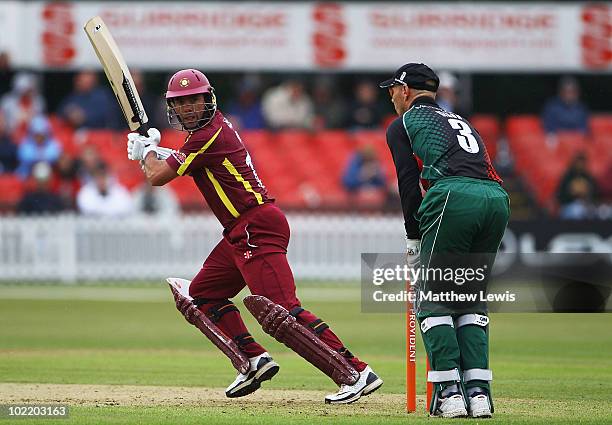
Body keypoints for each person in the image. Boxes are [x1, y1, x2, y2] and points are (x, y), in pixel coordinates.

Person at [126, 68, 382, 403]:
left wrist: (146, 152)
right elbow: (183, 161)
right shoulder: (207, 134)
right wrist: (152, 150)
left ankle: (356, 372)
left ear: (208, 99)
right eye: (181, 102)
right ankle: (252, 361)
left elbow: (157, 177)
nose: (188, 107)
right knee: (201, 296)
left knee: (282, 312)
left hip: (255, 226)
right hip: (240, 231)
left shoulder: (208, 135)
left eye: (194, 100)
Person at [380, 63, 509, 418]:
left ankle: (449, 392)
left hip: (453, 196)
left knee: (434, 296)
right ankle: (479, 393)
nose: (390, 96)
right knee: (468, 297)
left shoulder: (402, 124)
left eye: (392, 89)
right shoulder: (462, 121)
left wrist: (413, 236)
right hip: (495, 199)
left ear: (405, 90)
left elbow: (408, 184)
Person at [556, 152, 599, 219]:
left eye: (582, 163)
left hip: (587, 206)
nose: (580, 165)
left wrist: (586, 193)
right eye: (578, 163)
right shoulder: (568, 177)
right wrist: (572, 193)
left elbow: (596, 195)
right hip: (569, 206)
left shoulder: (588, 177)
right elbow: (560, 196)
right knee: (576, 211)